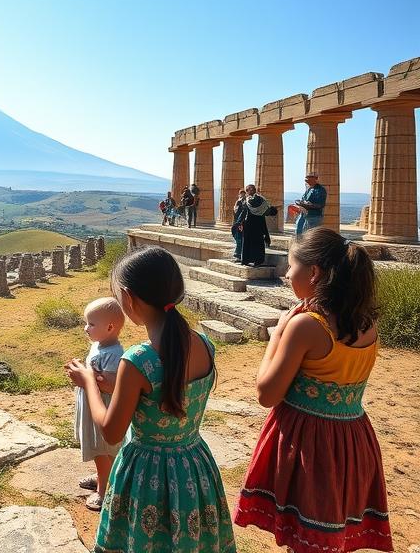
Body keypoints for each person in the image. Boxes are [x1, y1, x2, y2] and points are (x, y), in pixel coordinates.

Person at [65, 246, 235, 552]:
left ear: (128, 298)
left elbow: (111, 431)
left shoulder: (138, 360)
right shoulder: (204, 344)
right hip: (194, 467)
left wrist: (89, 382)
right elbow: (167, 390)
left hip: (147, 474)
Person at [235, 228, 392, 552]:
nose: (288, 273)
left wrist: (278, 333)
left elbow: (266, 394)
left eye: (291, 266)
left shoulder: (307, 325)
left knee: (305, 538)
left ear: (314, 272)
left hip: (309, 444)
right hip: (352, 441)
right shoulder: (367, 323)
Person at [73, 297, 125, 512]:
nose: (86, 328)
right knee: (97, 448)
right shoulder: (99, 345)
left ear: (110, 327)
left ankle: (103, 490)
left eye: (91, 324)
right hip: (90, 403)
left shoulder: (114, 354)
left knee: (103, 449)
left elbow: (111, 386)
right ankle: (102, 475)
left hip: (101, 407)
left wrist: (86, 377)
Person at [236, 185, 271, 266]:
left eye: (252, 190)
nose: (251, 191)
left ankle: (246, 260)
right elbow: (266, 210)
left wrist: (239, 222)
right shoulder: (262, 200)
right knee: (257, 242)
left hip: (250, 223)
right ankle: (257, 261)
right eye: (250, 190)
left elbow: (244, 212)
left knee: (250, 242)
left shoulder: (247, 200)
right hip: (258, 223)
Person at [295, 171, 327, 236]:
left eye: (309, 177)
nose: (306, 179)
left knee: (310, 236)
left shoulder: (320, 190)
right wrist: (300, 203)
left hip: (313, 217)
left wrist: (307, 205)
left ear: (315, 179)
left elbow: (320, 205)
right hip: (304, 215)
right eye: (306, 177)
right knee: (299, 233)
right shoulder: (309, 189)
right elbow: (304, 200)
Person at [231, 189, 247, 262]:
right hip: (239, 223)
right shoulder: (240, 201)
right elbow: (236, 212)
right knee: (239, 240)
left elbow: (237, 212)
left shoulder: (241, 202)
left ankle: (239, 256)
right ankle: (239, 255)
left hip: (240, 223)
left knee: (240, 240)